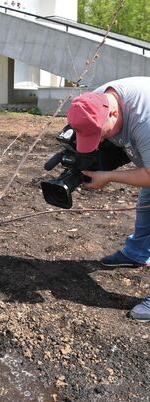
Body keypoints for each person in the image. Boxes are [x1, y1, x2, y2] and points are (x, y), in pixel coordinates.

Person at [67, 78, 150, 322]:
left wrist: (110, 176)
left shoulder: (144, 119)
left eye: (100, 135)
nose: (99, 141)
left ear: (113, 113)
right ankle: (137, 253)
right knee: (146, 203)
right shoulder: (92, 102)